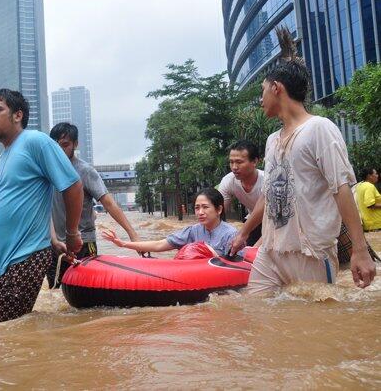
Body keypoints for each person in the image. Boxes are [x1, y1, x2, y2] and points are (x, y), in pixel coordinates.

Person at [229, 26, 375, 293]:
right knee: (255, 317)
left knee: (313, 325)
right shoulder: (272, 140)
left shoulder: (320, 128)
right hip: (270, 252)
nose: (260, 100)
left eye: (262, 91)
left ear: (276, 88)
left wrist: (360, 249)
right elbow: (269, 194)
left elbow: (342, 189)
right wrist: (243, 232)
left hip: (311, 253)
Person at [0, 89, 83, 324]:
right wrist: (52, 238)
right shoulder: (4, 156)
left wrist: (71, 234)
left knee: (9, 333)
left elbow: (74, 186)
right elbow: (35, 201)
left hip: (23, 258)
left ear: (18, 115)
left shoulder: (36, 142)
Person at [46, 122, 141, 288]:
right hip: (54, 246)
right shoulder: (46, 171)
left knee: (85, 292)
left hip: (82, 243)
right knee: (56, 293)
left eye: (65, 145)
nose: (60, 150)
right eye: (55, 146)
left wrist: (132, 234)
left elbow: (109, 204)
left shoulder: (85, 171)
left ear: (75, 144)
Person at [102, 188, 236, 257]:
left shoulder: (231, 235)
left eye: (205, 207)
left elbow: (238, 263)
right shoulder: (192, 231)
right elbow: (159, 244)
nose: (200, 212)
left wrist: (212, 253)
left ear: (219, 209)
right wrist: (123, 243)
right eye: (197, 208)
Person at [218, 140, 263, 246]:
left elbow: (276, 221)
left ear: (255, 162)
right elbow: (218, 211)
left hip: (276, 222)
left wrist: (255, 248)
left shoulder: (268, 181)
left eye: (239, 162)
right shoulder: (228, 181)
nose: (234, 167)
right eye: (231, 162)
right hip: (253, 222)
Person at [355, 168, 381, 232]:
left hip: (369, 223)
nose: (377, 176)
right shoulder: (369, 186)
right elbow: (370, 204)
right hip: (376, 224)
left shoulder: (360, 186)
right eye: (376, 174)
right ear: (369, 176)